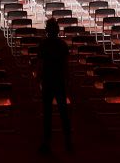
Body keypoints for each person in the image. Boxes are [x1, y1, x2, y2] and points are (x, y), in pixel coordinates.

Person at [38, 14, 74, 153]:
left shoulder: (43, 44)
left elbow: (40, 64)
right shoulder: (62, 45)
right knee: (63, 112)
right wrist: (68, 79)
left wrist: (38, 78)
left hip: (47, 80)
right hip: (59, 81)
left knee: (47, 113)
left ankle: (47, 143)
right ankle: (68, 142)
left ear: (47, 30)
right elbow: (65, 65)